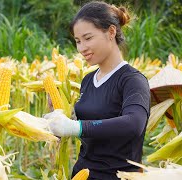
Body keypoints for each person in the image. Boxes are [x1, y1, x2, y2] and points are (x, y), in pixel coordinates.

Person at [43, 1, 151, 179]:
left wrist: (74, 127)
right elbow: (92, 126)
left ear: (111, 32)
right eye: (77, 41)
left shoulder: (132, 80)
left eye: (88, 38)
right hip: (82, 174)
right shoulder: (88, 80)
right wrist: (59, 118)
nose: (81, 48)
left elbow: (134, 124)